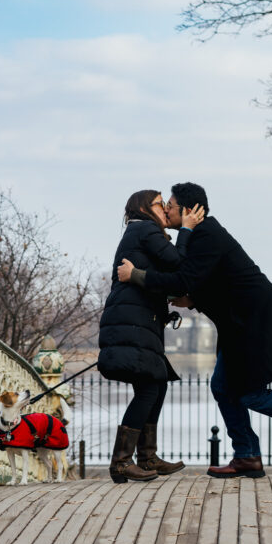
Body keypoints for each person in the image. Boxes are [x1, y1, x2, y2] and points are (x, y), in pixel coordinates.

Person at [117, 182, 272, 477]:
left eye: (170, 205)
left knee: (249, 392)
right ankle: (246, 455)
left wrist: (136, 275)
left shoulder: (206, 235)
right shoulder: (201, 236)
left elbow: (183, 278)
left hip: (254, 320)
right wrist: (192, 298)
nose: (167, 210)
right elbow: (205, 281)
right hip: (239, 322)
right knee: (223, 386)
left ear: (186, 211)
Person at [98, 189, 204, 482]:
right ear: (145, 208)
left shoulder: (138, 233)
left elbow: (157, 275)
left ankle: (147, 457)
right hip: (132, 322)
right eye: (160, 204)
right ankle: (122, 461)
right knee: (148, 389)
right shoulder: (144, 228)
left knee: (156, 385)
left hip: (137, 321)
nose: (165, 210)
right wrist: (186, 230)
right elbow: (176, 262)